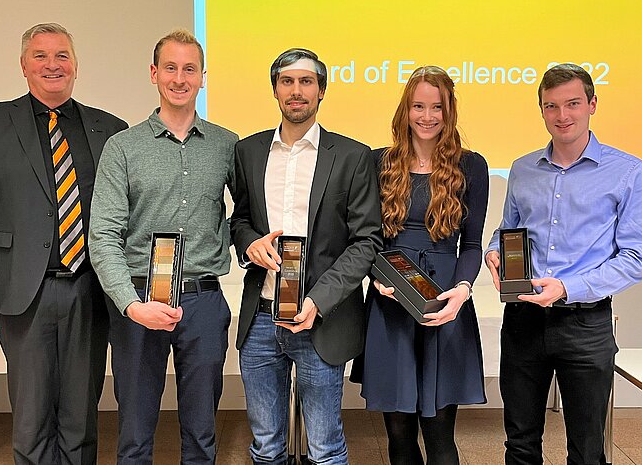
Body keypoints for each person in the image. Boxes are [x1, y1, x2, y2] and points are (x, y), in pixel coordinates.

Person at [0, 23, 127, 464]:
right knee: (30, 423)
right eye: (41, 56)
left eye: (62, 55)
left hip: (89, 291)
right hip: (22, 295)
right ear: (23, 66)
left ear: (76, 65)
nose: (53, 65)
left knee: (81, 422)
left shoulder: (109, 129)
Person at [88, 29, 238, 465]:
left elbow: (246, 216)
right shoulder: (122, 148)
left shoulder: (227, 146)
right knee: (134, 434)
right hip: (138, 301)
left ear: (203, 77)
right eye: (169, 67)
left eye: (189, 69)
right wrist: (131, 305)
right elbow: (103, 236)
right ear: (154, 74)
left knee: (202, 432)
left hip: (204, 301)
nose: (179, 78)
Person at [485, 63, 642, 464]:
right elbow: (508, 230)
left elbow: (636, 257)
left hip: (586, 325)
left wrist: (567, 287)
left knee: (587, 449)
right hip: (523, 321)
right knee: (520, 442)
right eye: (551, 106)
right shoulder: (522, 168)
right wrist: (493, 251)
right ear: (541, 110)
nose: (562, 116)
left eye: (573, 104)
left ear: (592, 104)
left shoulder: (628, 172)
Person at [230, 48, 382, 464]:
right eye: (287, 81)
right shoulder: (248, 151)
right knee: (265, 446)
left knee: (325, 447)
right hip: (261, 317)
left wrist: (318, 300)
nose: (296, 91)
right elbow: (240, 219)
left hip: (320, 319)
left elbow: (366, 241)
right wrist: (249, 242)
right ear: (275, 89)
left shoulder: (352, 156)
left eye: (306, 82)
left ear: (321, 91)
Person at [356, 66, 489, 465]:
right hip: (390, 303)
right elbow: (367, 239)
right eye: (418, 106)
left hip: (446, 304)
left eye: (437, 107)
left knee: (439, 431)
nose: (427, 116)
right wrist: (375, 277)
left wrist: (462, 291)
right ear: (405, 110)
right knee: (398, 432)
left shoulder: (472, 166)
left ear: (449, 112)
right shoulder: (379, 162)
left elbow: (471, 245)